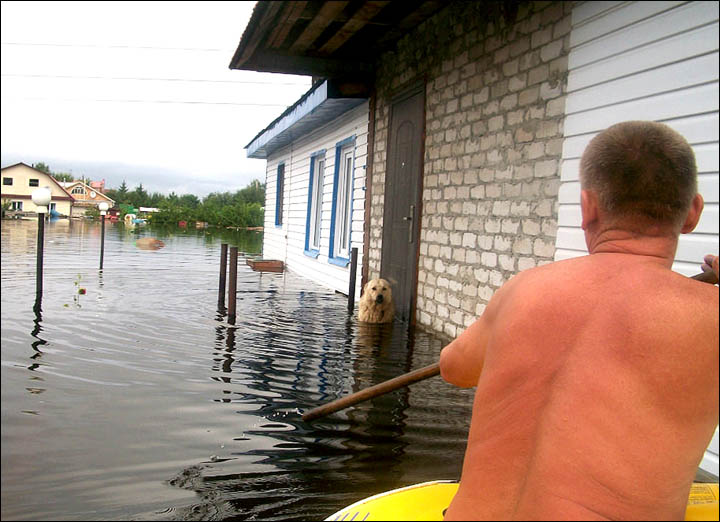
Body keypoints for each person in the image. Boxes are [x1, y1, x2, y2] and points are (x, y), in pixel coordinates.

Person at [440, 121, 719, 520]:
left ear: (587, 208)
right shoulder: (711, 317)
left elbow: (453, 368)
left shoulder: (523, 289)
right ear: (693, 212)